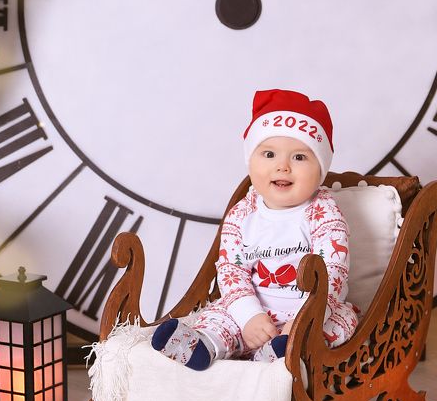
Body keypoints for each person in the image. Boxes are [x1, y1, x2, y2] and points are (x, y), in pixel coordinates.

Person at [151, 88, 358, 370]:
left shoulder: (324, 212)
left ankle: (280, 352)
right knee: (220, 315)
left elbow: (333, 272)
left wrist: (302, 320)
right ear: (251, 161)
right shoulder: (242, 214)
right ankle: (204, 345)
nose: (282, 167)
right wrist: (249, 315)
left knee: (343, 321)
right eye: (269, 154)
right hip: (254, 307)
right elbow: (231, 271)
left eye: (299, 157)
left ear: (320, 170)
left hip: (311, 310)